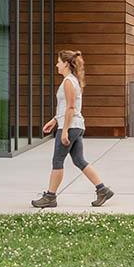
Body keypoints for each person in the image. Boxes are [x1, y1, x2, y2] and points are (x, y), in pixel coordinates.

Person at [31, 49, 114, 209]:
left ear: (66, 64)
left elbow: (70, 108)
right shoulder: (72, 80)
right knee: (79, 160)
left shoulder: (69, 82)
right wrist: (55, 120)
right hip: (74, 125)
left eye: (59, 62)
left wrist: (64, 130)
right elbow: (67, 107)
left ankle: (50, 197)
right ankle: (102, 190)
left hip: (70, 126)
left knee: (57, 161)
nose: (56, 65)